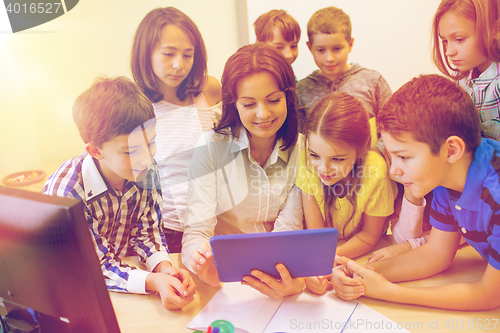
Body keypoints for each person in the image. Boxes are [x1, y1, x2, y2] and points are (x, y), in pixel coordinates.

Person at [331, 74, 500, 311]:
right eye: (392, 157)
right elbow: (436, 254)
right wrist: (358, 274)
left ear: (451, 150)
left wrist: (390, 292)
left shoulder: (496, 194)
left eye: (404, 157)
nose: (393, 172)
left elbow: (489, 294)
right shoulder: (444, 179)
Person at [42, 76, 196, 311]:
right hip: (68, 293)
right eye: (130, 151)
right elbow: (94, 266)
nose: (146, 157)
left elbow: (147, 232)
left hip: (123, 282)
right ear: (96, 151)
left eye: (151, 142)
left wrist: (164, 268)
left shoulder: (146, 168)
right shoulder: (67, 193)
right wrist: (153, 281)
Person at [181, 43, 305, 298]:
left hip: (277, 272)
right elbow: (197, 230)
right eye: (249, 104)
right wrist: (199, 257)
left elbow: (290, 227)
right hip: (222, 278)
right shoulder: (211, 147)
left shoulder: (303, 148)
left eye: (273, 100)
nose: (263, 114)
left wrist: (287, 276)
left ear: (288, 97)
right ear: (233, 103)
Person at [131, 7, 222, 253]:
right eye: (168, 54)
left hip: (212, 223)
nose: (178, 65)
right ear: (145, 53)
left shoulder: (208, 90)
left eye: (188, 55)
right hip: (161, 228)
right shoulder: (136, 105)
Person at [297, 92, 396, 261]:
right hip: (324, 249)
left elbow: (370, 235)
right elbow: (317, 234)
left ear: (361, 151)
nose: (324, 169)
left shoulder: (374, 170)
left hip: (360, 254)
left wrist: (328, 258)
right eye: (315, 155)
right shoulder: (305, 160)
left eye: (337, 159)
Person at [295, 6, 392, 120]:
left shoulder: (373, 82)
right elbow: (300, 136)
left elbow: (392, 127)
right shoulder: (300, 90)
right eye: (321, 50)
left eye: (337, 49)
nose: (329, 58)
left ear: (350, 44)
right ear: (310, 47)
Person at [432, 0, 500, 140]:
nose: (448, 52)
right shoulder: (460, 77)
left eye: (459, 39)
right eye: (445, 41)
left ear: (495, 30)